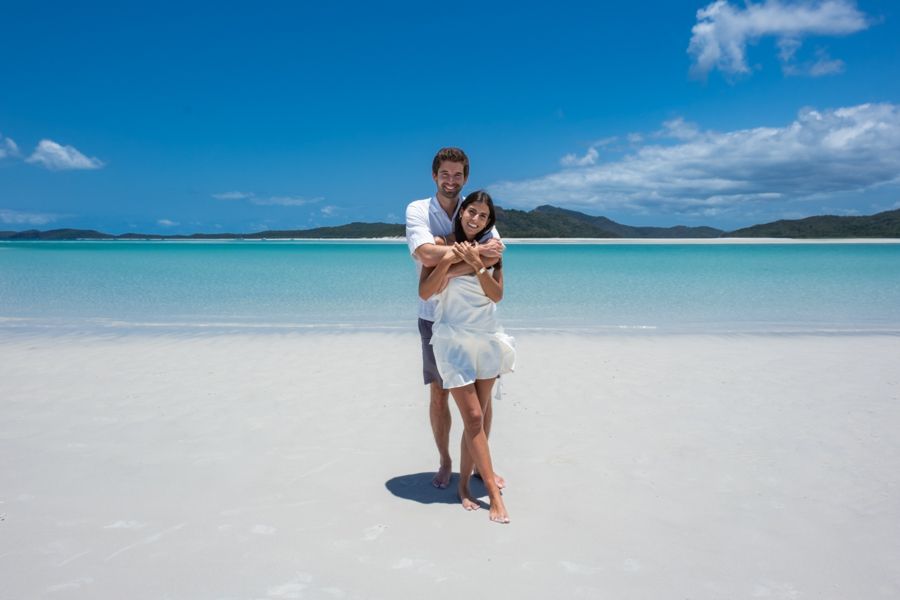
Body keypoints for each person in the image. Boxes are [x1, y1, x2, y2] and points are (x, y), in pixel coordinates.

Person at [405, 148, 504, 491]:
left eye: (457, 175)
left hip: (474, 321)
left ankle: (479, 465)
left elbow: (495, 254)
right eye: (445, 174)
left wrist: (448, 260)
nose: (451, 180)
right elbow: (424, 254)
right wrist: (472, 255)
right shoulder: (418, 210)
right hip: (433, 318)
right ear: (434, 175)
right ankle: (446, 459)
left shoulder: (473, 208)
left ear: (465, 177)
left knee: (482, 401)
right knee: (438, 394)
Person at [418, 190, 515, 524]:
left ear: (489, 223)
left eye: (483, 216)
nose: (475, 219)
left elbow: (497, 295)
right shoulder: (441, 242)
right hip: (452, 340)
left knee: (481, 415)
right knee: (473, 417)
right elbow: (425, 291)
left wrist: (476, 262)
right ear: (461, 213)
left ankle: (463, 483)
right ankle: (493, 492)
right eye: (471, 212)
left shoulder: (494, 250)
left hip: (486, 338)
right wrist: (448, 259)